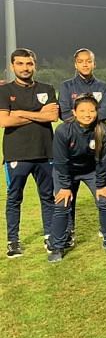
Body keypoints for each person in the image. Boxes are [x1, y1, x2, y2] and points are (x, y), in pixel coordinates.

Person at [0, 48, 57, 258]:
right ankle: (13, 241)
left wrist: (20, 112)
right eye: (21, 64)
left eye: (29, 64)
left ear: (35, 65)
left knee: (47, 197)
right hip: (17, 154)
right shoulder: (4, 91)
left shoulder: (47, 88)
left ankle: (50, 235)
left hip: (45, 152)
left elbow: (52, 116)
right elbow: (4, 120)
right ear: (12, 66)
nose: (25, 68)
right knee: (14, 198)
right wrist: (37, 114)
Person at [48, 94, 106, 262]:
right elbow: (61, 161)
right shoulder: (63, 130)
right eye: (83, 111)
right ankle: (57, 246)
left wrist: (101, 185)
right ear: (74, 112)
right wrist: (64, 186)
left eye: (91, 110)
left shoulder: (103, 131)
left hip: (91, 171)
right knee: (62, 204)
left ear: (97, 112)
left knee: (104, 200)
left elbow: (103, 161)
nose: (87, 114)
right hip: (66, 171)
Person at [59, 48, 106, 122]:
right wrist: (91, 114)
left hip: (98, 130)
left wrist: (78, 115)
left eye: (89, 61)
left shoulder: (104, 87)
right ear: (76, 65)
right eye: (80, 62)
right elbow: (64, 113)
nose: (85, 65)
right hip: (73, 130)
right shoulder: (66, 86)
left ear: (94, 64)